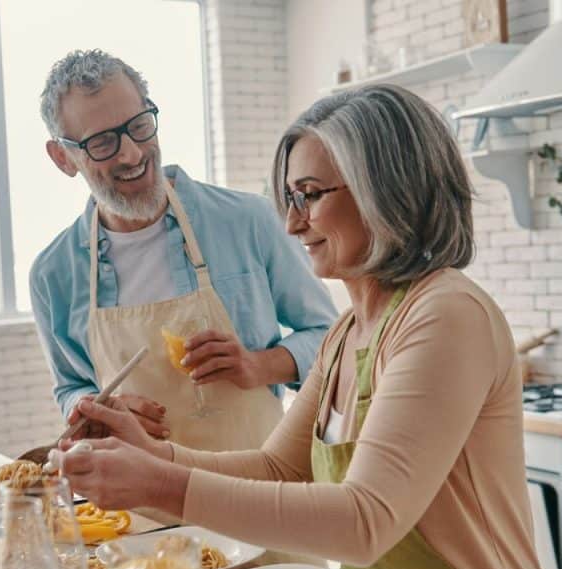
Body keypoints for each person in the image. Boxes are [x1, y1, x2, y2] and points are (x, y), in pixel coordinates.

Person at [54, 85, 543, 569]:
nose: (291, 224)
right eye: (289, 198)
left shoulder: (445, 315)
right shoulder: (347, 334)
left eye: (308, 195)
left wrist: (158, 484)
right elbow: (278, 469)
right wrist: (153, 453)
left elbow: (364, 522)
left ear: (388, 189)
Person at [30, 49, 336, 452]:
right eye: (102, 142)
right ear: (63, 158)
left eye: (139, 126)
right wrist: (95, 409)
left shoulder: (249, 221)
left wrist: (258, 365)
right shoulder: (53, 274)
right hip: (136, 506)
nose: (132, 153)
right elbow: (71, 387)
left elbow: (331, 340)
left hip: (255, 494)